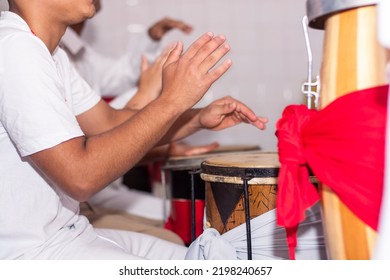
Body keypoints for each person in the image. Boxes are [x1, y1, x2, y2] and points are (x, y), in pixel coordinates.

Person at [0, 0, 268, 260]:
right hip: (32, 254)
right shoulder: (15, 48)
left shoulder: (50, 53)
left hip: (70, 233)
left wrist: (196, 119)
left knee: (216, 258)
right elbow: (80, 177)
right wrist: (172, 100)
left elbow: (111, 125)